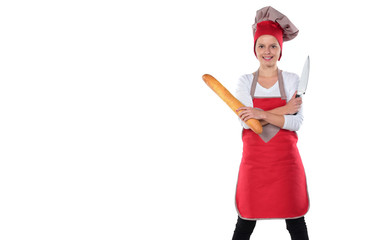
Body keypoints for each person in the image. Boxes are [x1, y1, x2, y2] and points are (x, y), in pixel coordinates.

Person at [232, 6, 310, 240]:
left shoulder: (292, 79)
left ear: (280, 49)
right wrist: (284, 110)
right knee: (245, 220)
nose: (268, 51)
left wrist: (262, 114)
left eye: (273, 45)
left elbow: (296, 123)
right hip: (255, 165)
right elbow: (247, 124)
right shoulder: (245, 82)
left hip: (286, 164)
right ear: (254, 49)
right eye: (261, 45)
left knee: (296, 220)